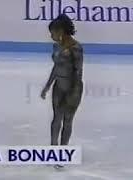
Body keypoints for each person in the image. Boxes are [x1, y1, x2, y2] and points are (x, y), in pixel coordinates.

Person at [41, 14, 84, 149]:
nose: (51, 36)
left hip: (73, 89)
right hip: (58, 87)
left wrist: (73, 93)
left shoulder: (76, 48)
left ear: (61, 31)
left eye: (52, 32)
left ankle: (63, 151)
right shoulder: (56, 47)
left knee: (67, 120)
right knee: (56, 120)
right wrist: (47, 86)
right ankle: (53, 150)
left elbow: (78, 72)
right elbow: (56, 67)